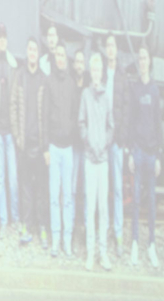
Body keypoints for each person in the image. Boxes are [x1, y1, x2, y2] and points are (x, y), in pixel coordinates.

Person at [127, 45, 164, 268]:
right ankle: (134, 243)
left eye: (145, 58)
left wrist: (159, 155)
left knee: (151, 202)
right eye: (139, 58)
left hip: (151, 154)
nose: (142, 61)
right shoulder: (134, 89)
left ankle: (151, 245)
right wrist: (131, 151)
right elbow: (131, 122)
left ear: (149, 62)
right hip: (138, 152)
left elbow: (159, 123)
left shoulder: (155, 89)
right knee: (136, 201)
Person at [11, 37, 48, 248]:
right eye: (30, 49)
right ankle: (26, 226)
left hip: (40, 144)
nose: (32, 52)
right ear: (26, 52)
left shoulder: (44, 79)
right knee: (25, 187)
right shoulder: (20, 77)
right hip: (24, 144)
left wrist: (46, 144)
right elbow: (13, 105)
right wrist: (17, 135)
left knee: (41, 189)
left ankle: (42, 226)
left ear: (39, 54)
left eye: (35, 49)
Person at [79, 53, 114, 271]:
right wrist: (89, 142)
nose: (96, 73)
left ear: (102, 72)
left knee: (103, 207)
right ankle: (90, 253)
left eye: (99, 69)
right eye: (93, 69)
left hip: (103, 160)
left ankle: (103, 252)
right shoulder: (85, 95)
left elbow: (112, 126)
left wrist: (104, 144)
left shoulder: (107, 97)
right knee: (90, 206)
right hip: (90, 160)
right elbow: (81, 122)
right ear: (90, 72)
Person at [44, 40, 78, 258]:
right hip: (54, 149)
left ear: (67, 59)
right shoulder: (49, 82)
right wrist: (47, 147)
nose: (60, 58)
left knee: (68, 197)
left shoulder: (73, 84)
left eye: (63, 55)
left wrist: (71, 138)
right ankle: (55, 239)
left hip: (68, 149)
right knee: (54, 196)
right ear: (54, 58)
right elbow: (45, 115)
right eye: (57, 55)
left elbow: (75, 115)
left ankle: (67, 240)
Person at [0, 22, 19, 240]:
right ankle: (3, 220)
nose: (1, 40)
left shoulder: (12, 65)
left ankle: (15, 219)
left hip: (11, 131)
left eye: (4, 37)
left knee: (13, 178)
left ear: (7, 41)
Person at [105, 33, 130, 258]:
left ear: (117, 50)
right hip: (103, 140)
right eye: (108, 46)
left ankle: (119, 233)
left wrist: (123, 139)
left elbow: (127, 109)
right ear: (105, 50)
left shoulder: (122, 76)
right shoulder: (102, 75)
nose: (110, 49)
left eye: (113, 45)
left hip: (117, 142)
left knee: (118, 189)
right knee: (103, 189)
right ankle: (104, 230)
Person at [72, 49, 88, 242]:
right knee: (73, 187)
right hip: (73, 143)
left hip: (85, 144)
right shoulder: (70, 83)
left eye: (81, 61)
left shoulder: (89, 85)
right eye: (76, 61)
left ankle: (83, 223)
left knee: (85, 187)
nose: (79, 65)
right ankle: (74, 223)